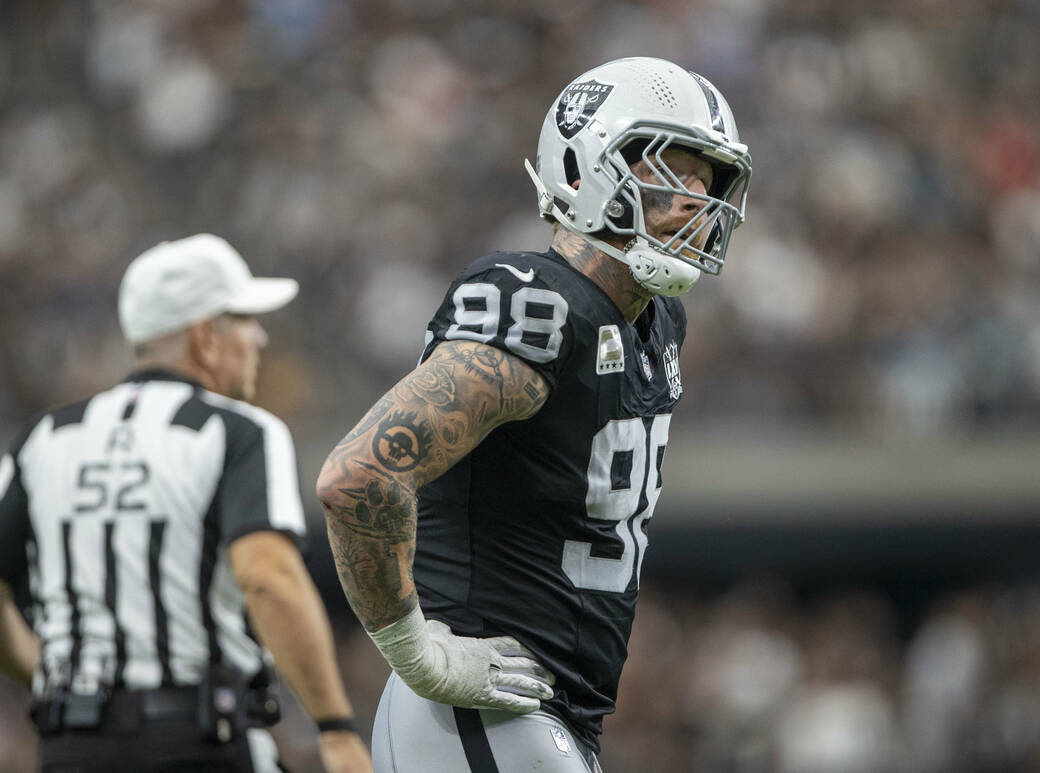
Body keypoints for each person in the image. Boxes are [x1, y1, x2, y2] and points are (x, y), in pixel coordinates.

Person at [316, 56, 752, 772]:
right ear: (586, 171)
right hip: (479, 704)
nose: (696, 200)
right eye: (670, 170)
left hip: (542, 715)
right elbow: (358, 476)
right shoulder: (536, 303)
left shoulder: (657, 323)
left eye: (708, 179)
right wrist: (415, 653)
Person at [0, 234, 372, 773]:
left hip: (70, 747)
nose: (260, 337)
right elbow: (268, 577)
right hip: (198, 741)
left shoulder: (45, 438)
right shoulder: (240, 432)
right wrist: (335, 729)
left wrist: (45, 674)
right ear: (206, 337)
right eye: (244, 318)